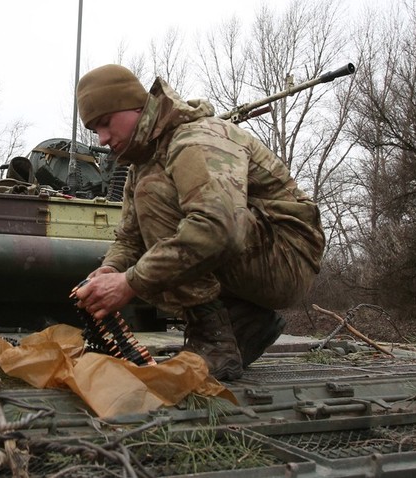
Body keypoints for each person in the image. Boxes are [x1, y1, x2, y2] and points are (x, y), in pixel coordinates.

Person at [71, 65, 325, 381]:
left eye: (106, 123)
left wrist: (130, 282)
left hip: (288, 257)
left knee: (156, 196)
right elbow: (130, 237)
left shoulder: (195, 138)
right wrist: (110, 270)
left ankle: (214, 342)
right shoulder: (143, 163)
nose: (103, 138)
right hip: (259, 255)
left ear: (135, 107)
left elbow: (218, 227)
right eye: (95, 130)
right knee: (151, 216)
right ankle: (243, 323)